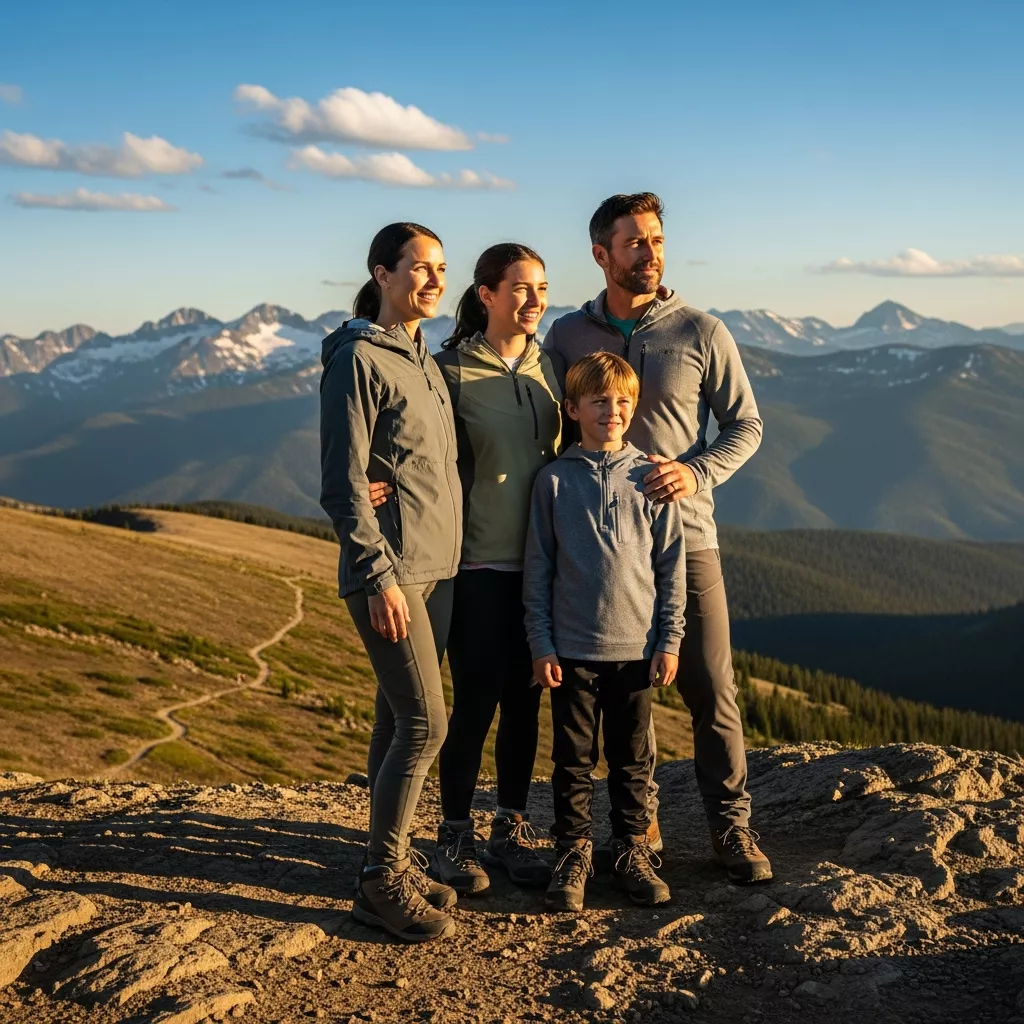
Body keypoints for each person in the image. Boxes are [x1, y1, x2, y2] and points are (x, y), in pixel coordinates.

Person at [544, 193, 773, 884]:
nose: (651, 252)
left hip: (685, 541)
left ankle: (732, 829)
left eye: (657, 240)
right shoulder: (564, 337)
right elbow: (536, 426)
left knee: (710, 688)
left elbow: (746, 427)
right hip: (590, 550)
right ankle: (634, 836)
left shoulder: (702, 331)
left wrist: (694, 472)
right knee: (620, 699)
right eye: (636, 242)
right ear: (601, 254)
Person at [319, 222, 463, 942]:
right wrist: (377, 575)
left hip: (429, 569)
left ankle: (393, 862)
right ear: (382, 273)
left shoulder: (424, 360)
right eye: (419, 268)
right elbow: (343, 486)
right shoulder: (358, 360)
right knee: (424, 724)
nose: (434, 280)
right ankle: (380, 884)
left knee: (393, 721)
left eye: (441, 269)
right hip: (391, 573)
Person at [523, 351, 684, 911]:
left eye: (621, 402)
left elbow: (671, 567)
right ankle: (573, 854)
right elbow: (539, 568)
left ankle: (632, 850)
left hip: (638, 649)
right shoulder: (553, 482)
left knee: (632, 757)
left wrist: (670, 640)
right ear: (572, 409)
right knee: (572, 759)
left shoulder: (652, 477)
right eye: (598, 402)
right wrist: (541, 644)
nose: (611, 411)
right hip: (571, 651)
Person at [429, 243, 563, 895]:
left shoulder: (555, 369)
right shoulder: (448, 371)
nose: (534, 301)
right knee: (476, 701)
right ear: (485, 294)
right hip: (478, 563)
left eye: (542, 288)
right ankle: (454, 835)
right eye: (520, 288)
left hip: (547, 569)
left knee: (526, 703)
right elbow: (415, 456)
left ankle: (509, 829)